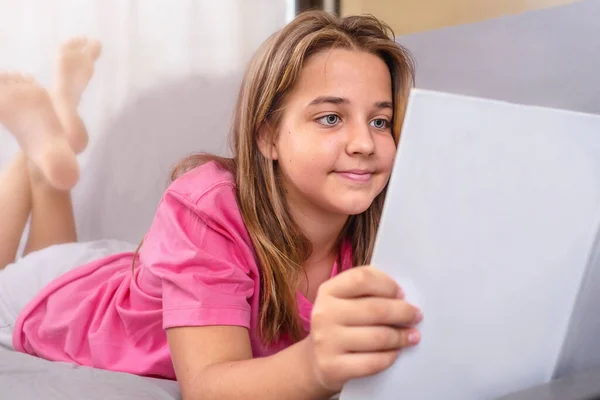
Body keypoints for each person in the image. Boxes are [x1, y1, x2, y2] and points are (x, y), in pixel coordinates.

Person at [0, 10, 423, 400]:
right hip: (62, 299)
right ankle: (34, 155)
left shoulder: (390, 216)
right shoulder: (205, 205)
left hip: (139, 270)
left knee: (61, 241)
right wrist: (315, 365)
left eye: (379, 121)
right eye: (330, 117)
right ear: (268, 136)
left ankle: (46, 152)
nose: (364, 143)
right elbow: (208, 386)